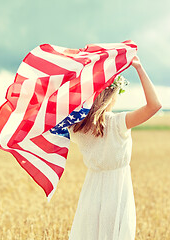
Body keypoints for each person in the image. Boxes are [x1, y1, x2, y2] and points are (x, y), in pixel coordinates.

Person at [67, 55, 162, 240]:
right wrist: (139, 68)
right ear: (112, 94)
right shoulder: (118, 123)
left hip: (91, 192)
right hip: (117, 192)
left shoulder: (78, 127)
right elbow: (155, 106)